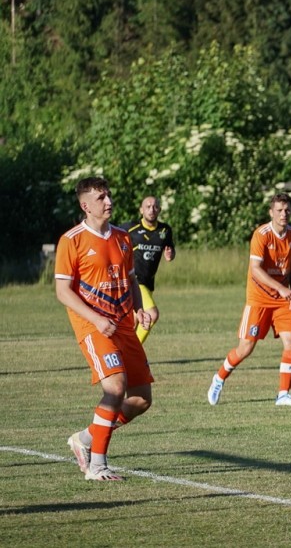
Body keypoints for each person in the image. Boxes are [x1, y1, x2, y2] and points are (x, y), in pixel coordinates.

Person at [55, 177, 155, 481]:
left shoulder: (123, 237)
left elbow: (132, 278)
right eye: (101, 198)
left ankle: (85, 438)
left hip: (123, 325)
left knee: (141, 398)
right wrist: (97, 320)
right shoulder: (71, 240)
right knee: (115, 388)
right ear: (86, 206)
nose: (109, 202)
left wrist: (138, 308)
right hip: (94, 326)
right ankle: (97, 466)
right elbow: (63, 291)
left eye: (109, 195)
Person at [207, 193, 291, 407]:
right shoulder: (261, 235)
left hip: (282, 299)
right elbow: (255, 270)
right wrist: (281, 288)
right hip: (259, 298)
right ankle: (219, 378)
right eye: (279, 210)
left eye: (287, 210)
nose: (284, 214)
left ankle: (283, 394)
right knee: (246, 348)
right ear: (271, 212)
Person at [124, 196, 175, 345]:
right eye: (147, 206)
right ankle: (134, 351)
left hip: (148, 283)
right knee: (152, 314)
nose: (151, 210)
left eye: (155, 206)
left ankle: (123, 352)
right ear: (141, 210)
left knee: (134, 322)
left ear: (159, 209)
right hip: (134, 280)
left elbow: (170, 251)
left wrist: (170, 255)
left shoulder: (165, 230)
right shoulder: (130, 229)